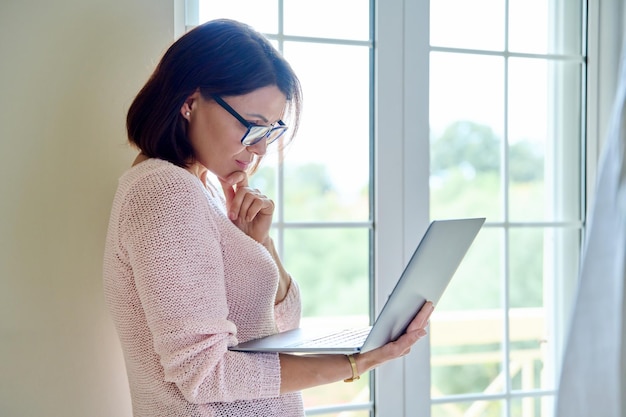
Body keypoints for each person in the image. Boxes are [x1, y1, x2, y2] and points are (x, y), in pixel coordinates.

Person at [103, 18, 434, 417]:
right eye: (252, 127)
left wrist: (259, 242)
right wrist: (355, 363)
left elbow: (280, 323)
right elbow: (204, 374)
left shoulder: (202, 191)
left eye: (271, 131)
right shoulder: (163, 191)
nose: (260, 149)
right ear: (190, 103)